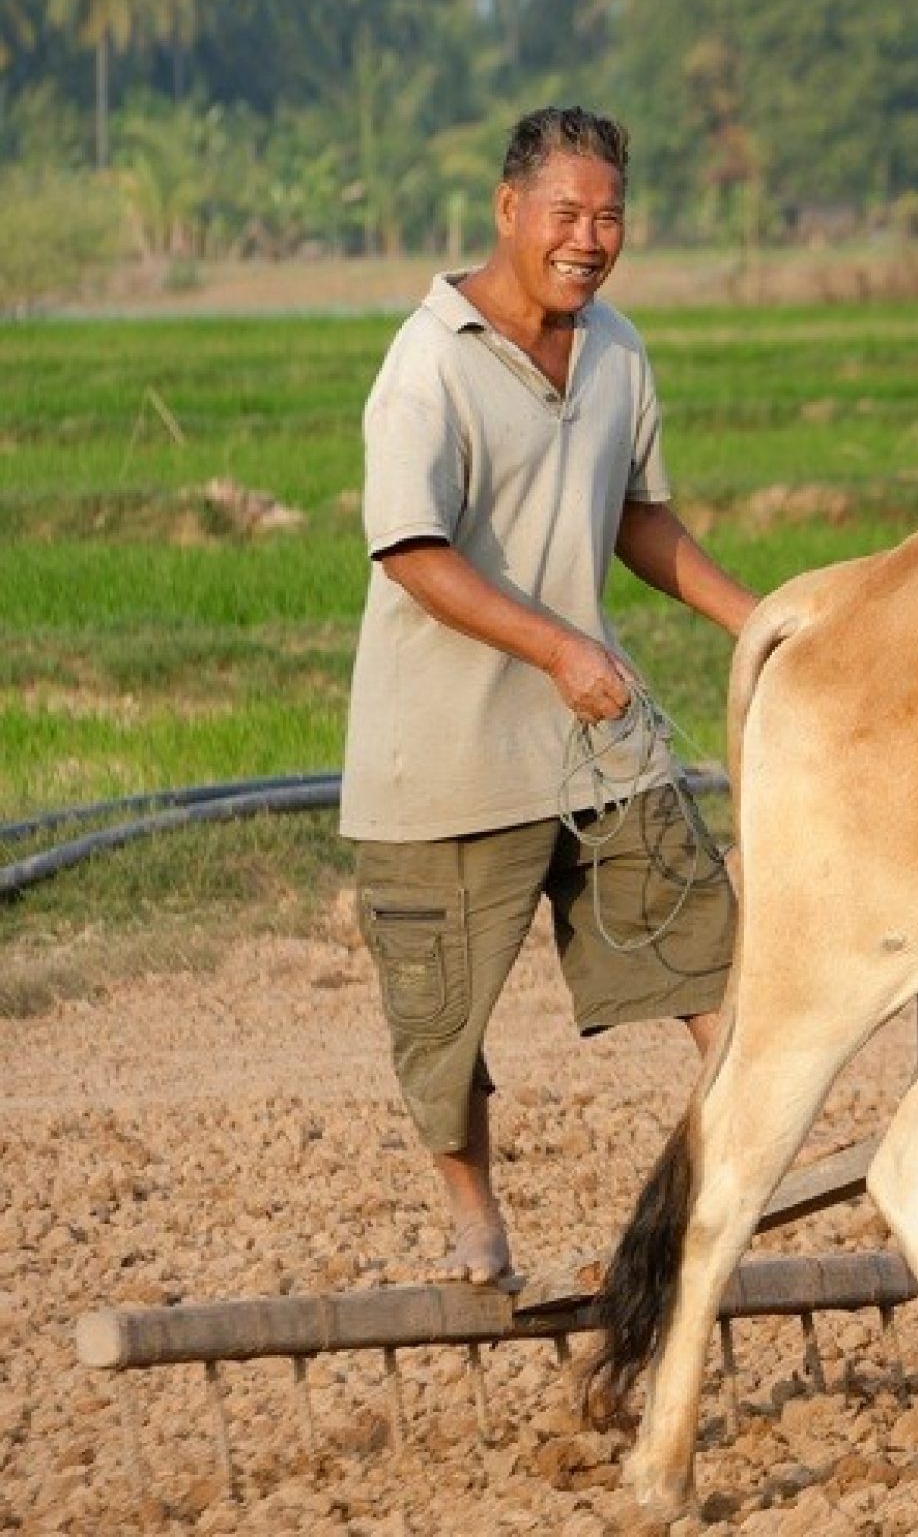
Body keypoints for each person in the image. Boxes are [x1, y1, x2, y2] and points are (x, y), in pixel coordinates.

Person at [340, 106, 758, 1285]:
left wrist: (761, 621)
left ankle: (743, 1161)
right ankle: (476, 1214)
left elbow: (637, 517)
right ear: (508, 208)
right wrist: (556, 648)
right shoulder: (429, 363)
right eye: (566, 212)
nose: (589, 238)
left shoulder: (616, 347)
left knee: (711, 952)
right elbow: (412, 553)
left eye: (610, 216)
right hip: (446, 755)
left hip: (596, 741)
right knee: (442, 1024)